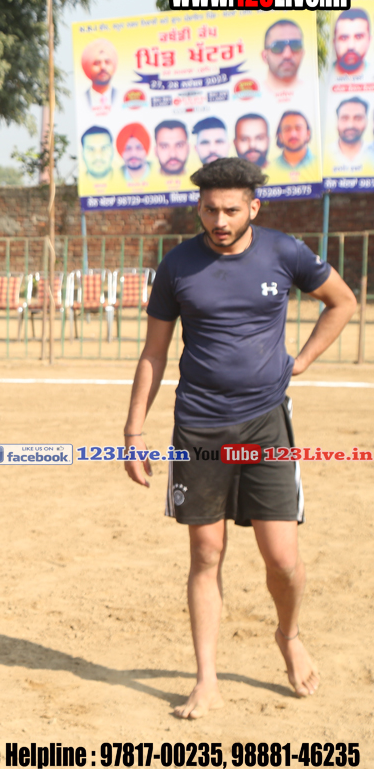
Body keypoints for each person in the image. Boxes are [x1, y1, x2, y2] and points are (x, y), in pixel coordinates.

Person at [123, 157, 355, 719]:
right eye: (209, 210)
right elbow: (154, 353)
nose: (220, 221)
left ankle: (289, 635)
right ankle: (206, 679)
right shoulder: (177, 265)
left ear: (254, 206)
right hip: (198, 426)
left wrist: (302, 360)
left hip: (265, 425)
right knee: (206, 553)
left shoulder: (284, 252)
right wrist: (133, 430)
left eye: (230, 210)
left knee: (283, 561)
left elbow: (342, 301)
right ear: (198, 208)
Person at [261, 19, 307, 95]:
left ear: (302, 53)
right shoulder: (253, 97)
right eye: (278, 47)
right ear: (265, 56)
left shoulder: (311, 93)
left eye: (295, 46)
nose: (287, 55)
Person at [330, 8, 369, 82]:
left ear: (369, 40)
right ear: (334, 42)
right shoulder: (325, 77)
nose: (351, 46)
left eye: (358, 37)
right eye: (344, 38)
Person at [332, 97, 370, 168]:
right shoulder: (321, 154)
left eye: (358, 119)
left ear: (366, 122)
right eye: (344, 119)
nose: (350, 125)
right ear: (337, 121)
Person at [80, 39, 118, 109]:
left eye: (107, 62)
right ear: (88, 67)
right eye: (97, 63)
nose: (103, 67)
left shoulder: (121, 96)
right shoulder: (81, 100)